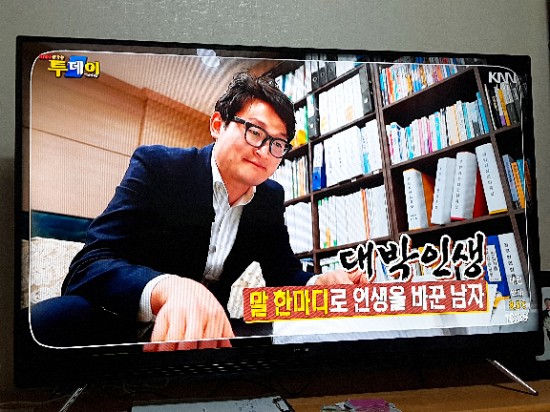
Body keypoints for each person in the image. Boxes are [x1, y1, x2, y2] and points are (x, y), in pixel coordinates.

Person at [30, 72, 361, 351]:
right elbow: (88, 266)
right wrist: (167, 288)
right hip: (119, 316)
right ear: (218, 124)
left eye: (277, 144)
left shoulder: (269, 198)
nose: (264, 151)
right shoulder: (159, 166)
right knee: (43, 323)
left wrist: (319, 282)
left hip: (207, 335)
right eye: (255, 131)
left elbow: (284, 275)